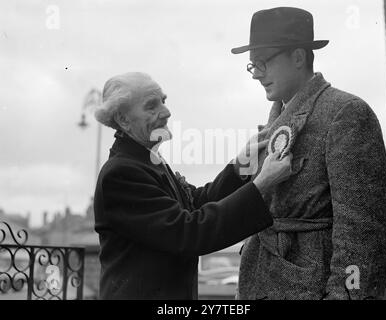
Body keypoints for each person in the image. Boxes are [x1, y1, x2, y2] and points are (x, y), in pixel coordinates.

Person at [231, 7, 386, 300]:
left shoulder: (346, 113)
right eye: (252, 65)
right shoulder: (272, 126)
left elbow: (364, 233)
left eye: (263, 62)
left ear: (298, 57)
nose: (257, 74)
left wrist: (345, 296)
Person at [93, 72, 293, 299]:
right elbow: (188, 233)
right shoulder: (121, 174)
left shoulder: (144, 160)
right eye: (151, 106)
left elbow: (194, 204)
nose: (166, 112)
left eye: (163, 101)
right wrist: (261, 184)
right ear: (123, 119)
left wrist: (241, 168)